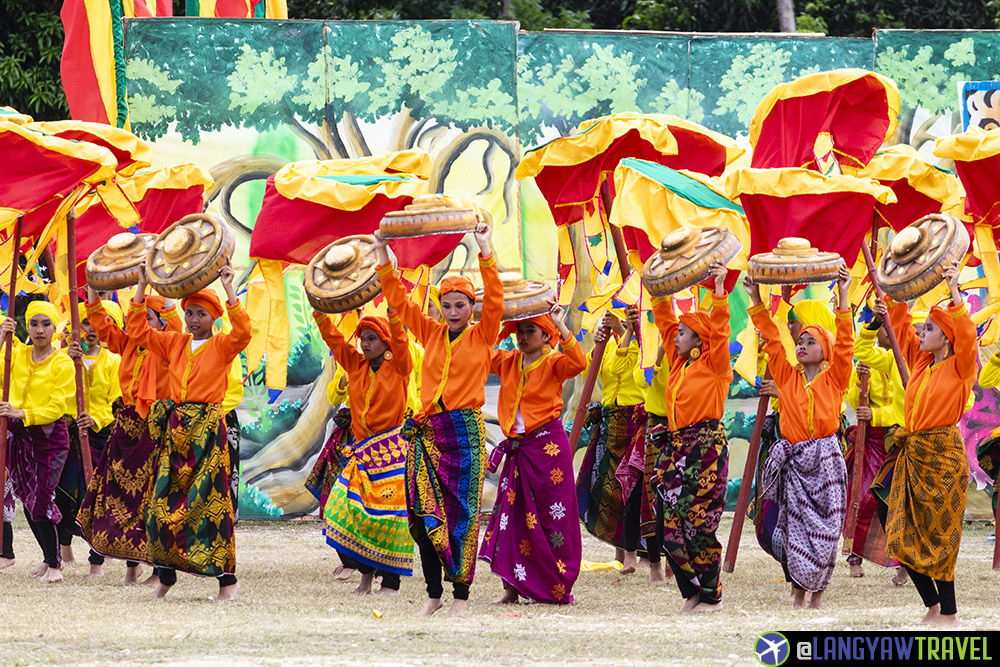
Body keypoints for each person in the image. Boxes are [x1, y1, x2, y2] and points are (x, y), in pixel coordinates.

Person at [373, 221, 501, 617]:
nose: (452, 312)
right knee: (419, 513)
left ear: (471, 307)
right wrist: (382, 251)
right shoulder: (429, 331)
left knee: (462, 515)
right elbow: (396, 297)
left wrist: (484, 248)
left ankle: (460, 596)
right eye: (446, 306)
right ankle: (433, 593)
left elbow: (495, 297)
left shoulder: (484, 334)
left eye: (460, 305)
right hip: (426, 434)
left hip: (463, 435)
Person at [127, 263, 251, 601]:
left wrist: (228, 290)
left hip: (208, 432)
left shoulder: (223, 346)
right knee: (158, 506)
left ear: (213, 318)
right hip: (176, 431)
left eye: (201, 314)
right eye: (190, 313)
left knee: (210, 506)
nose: (195, 319)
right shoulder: (174, 343)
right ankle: (165, 578)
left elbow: (243, 333)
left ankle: (228, 582)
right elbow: (138, 332)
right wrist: (140, 287)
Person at [745, 267, 853, 610]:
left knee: (827, 530)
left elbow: (848, 343)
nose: (803, 346)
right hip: (795, 461)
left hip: (827, 459)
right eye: (801, 341)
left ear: (826, 350)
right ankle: (797, 595)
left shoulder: (835, 378)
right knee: (795, 528)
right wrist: (754, 299)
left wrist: (845, 295)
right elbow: (774, 342)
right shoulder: (787, 378)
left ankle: (817, 595)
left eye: (811, 341)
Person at [874, 261, 975, 626]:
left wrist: (952, 289)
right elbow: (900, 323)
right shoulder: (921, 364)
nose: (921, 333)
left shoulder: (961, 367)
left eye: (929, 328)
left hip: (943, 456)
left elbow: (967, 335)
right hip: (912, 451)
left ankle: (946, 612)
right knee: (889, 514)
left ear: (947, 338)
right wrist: (898, 284)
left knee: (940, 532)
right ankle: (930, 602)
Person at [479, 303, 586, 604]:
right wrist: (489, 322)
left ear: (545, 335)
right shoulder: (509, 361)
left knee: (552, 519)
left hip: (548, 451)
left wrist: (560, 326)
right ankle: (511, 589)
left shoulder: (553, 362)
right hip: (518, 450)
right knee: (512, 518)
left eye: (530, 331)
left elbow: (578, 363)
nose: (523, 337)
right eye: (520, 331)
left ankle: (556, 585)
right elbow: (480, 353)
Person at [77, 289, 180, 586]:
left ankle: (160, 570)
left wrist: (146, 288)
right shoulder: (131, 345)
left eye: (148, 318)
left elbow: (174, 325)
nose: (141, 324)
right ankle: (132, 565)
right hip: (127, 427)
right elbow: (104, 327)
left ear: (162, 322)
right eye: (141, 318)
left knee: (152, 498)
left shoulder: (170, 345)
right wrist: (93, 295)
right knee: (124, 499)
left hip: (157, 428)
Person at [311, 308, 415, 595]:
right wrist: (320, 311)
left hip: (392, 453)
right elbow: (334, 340)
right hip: (361, 453)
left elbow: (402, 342)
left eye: (372, 339)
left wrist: (395, 317)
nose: (365, 344)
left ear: (386, 342)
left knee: (388, 518)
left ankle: (390, 583)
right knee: (342, 510)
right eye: (362, 339)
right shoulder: (356, 365)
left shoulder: (399, 367)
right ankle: (366, 576)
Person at [649, 262, 732, 613]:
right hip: (677, 448)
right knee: (667, 523)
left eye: (684, 333)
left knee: (699, 524)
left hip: (706, 450)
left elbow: (721, 330)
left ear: (699, 339)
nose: (675, 336)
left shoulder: (715, 365)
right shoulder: (679, 362)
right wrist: (659, 285)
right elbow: (665, 321)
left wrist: (719, 290)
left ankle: (709, 597)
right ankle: (691, 593)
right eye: (678, 332)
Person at [0, 301, 75, 583]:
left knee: (42, 497)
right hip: (19, 436)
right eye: (34, 324)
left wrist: (22, 412)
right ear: (26, 327)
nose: (40, 330)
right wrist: (1, 335)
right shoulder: (17, 354)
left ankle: (56, 566)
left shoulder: (63, 362)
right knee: (27, 498)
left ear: (55, 328)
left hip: (49, 437)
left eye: (46, 324)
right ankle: (48, 558)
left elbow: (57, 407)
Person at [576, 308, 647, 572]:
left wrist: (627, 331)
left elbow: (630, 366)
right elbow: (588, 371)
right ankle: (620, 550)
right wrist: (598, 342)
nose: (612, 319)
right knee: (610, 489)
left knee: (637, 491)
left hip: (636, 420)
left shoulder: (644, 339)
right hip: (611, 420)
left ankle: (643, 554)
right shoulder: (609, 342)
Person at [844, 306, 906, 584]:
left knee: (898, 502)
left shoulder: (907, 362)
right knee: (862, 497)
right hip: (869, 438)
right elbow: (853, 400)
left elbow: (908, 409)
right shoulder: (879, 358)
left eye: (885, 325)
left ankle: (904, 563)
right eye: (880, 326)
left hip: (897, 437)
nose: (883, 331)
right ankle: (854, 555)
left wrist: (878, 415)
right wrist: (859, 381)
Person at [60, 303, 122, 576]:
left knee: (96, 495)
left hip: (100, 436)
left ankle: (96, 555)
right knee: (62, 492)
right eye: (85, 323)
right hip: (67, 433)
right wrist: (66, 359)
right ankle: (63, 548)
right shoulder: (64, 358)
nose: (91, 330)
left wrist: (95, 418)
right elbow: (59, 393)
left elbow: (117, 401)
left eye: (98, 324)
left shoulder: (114, 361)